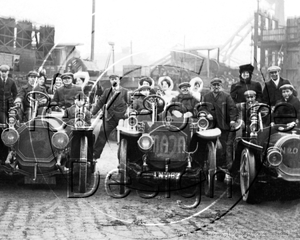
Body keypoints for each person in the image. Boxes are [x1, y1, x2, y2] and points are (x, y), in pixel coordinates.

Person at [201, 78, 238, 171]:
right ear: (211, 86)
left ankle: (223, 165)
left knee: (224, 145)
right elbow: (202, 108)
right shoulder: (206, 97)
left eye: (218, 85)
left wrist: (232, 120)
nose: (216, 87)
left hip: (223, 124)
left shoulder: (226, 96)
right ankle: (208, 163)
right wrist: (207, 113)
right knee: (209, 144)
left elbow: (232, 109)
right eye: (214, 85)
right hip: (210, 125)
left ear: (221, 86)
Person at [91, 74, 130, 160]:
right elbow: (100, 102)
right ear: (110, 81)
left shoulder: (125, 91)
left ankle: (126, 158)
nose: (114, 81)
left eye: (115, 79)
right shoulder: (106, 91)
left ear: (119, 80)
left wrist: (127, 114)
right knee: (102, 134)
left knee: (127, 137)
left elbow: (130, 104)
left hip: (121, 118)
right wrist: (93, 113)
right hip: (109, 118)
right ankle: (95, 155)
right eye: (111, 79)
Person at [0, 64, 18, 164]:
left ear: (8, 72)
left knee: (10, 128)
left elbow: (15, 93)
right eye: (2, 71)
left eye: (5, 71)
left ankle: (8, 156)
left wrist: (12, 102)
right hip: (0, 109)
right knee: (3, 129)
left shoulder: (11, 82)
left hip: (8, 108)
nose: (3, 73)